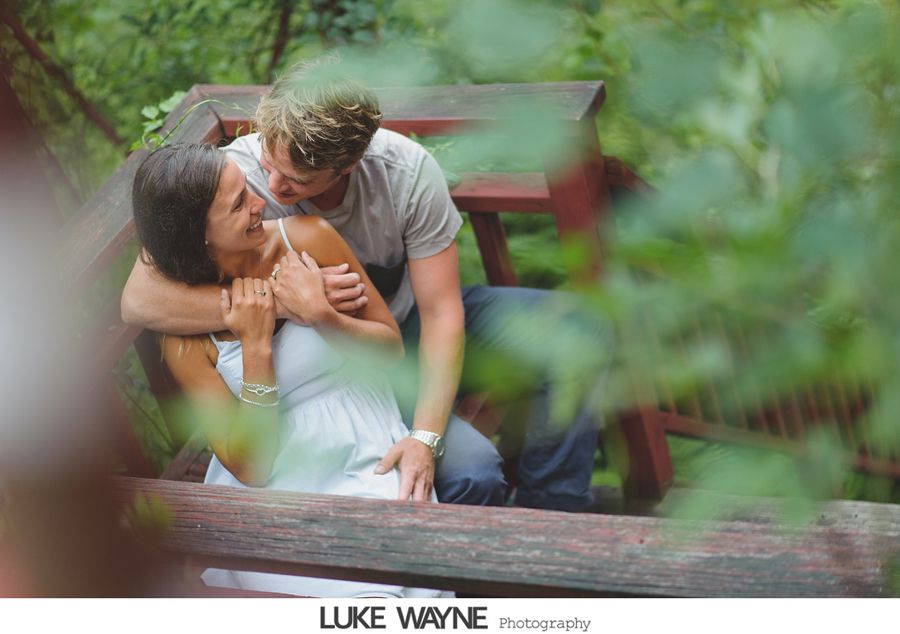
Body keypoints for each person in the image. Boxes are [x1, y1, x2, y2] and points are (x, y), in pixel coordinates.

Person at [122, 57, 604, 511]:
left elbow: (440, 314)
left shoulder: (407, 175)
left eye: (293, 181)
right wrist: (287, 304)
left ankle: (551, 518)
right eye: (268, 161)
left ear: (346, 166)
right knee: (473, 472)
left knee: (578, 331)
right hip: (331, 362)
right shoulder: (236, 178)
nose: (270, 185)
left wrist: (426, 436)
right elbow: (139, 299)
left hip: (408, 325)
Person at [131, 142, 449, 597]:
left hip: (361, 445)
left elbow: (389, 349)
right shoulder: (181, 330)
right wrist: (256, 344)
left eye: (247, 190)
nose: (261, 202)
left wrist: (323, 315)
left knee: (394, 591)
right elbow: (252, 467)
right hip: (272, 484)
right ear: (198, 233)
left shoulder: (307, 238)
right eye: (239, 203)